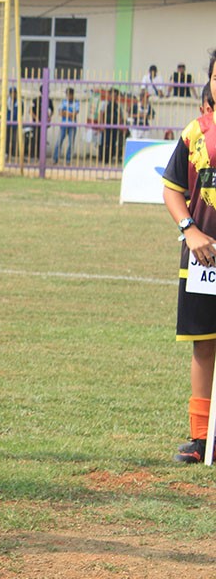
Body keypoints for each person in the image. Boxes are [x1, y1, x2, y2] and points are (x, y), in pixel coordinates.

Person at [161, 54, 216, 464]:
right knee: (204, 345)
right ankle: (201, 439)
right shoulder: (195, 133)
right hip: (204, 259)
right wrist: (190, 230)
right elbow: (172, 190)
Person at [53, 87, 79, 165]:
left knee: (71, 144)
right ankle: (55, 158)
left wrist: (65, 112)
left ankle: (68, 160)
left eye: (69, 94)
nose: (68, 96)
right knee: (59, 142)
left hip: (72, 126)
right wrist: (70, 114)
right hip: (63, 125)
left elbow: (74, 115)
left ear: (72, 95)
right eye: (67, 94)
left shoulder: (76, 102)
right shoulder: (63, 102)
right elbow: (60, 113)